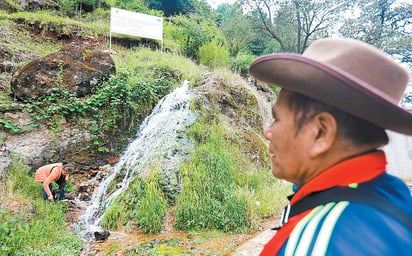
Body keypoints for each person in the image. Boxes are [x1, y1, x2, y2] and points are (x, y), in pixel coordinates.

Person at [249, 38, 412, 255]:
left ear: (321, 133)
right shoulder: (392, 192)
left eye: (277, 118)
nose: (267, 133)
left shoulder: (319, 241)